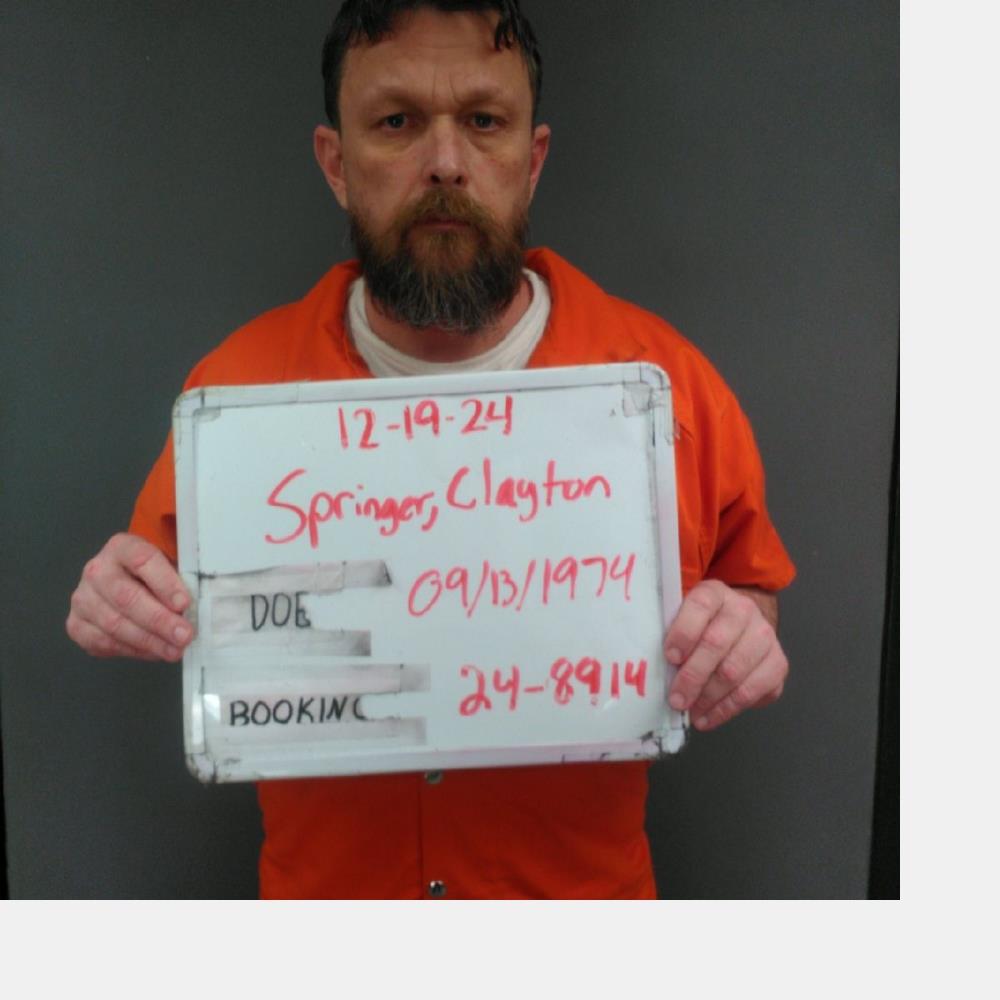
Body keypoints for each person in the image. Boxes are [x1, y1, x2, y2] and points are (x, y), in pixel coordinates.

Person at [65, 0, 794, 899]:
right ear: (337, 163)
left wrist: (744, 637)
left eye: (484, 121)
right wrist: (117, 599)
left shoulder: (669, 389)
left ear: (532, 159)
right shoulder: (234, 396)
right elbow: (156, 582)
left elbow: (749, 591)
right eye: (396, 122)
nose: (446, 162)